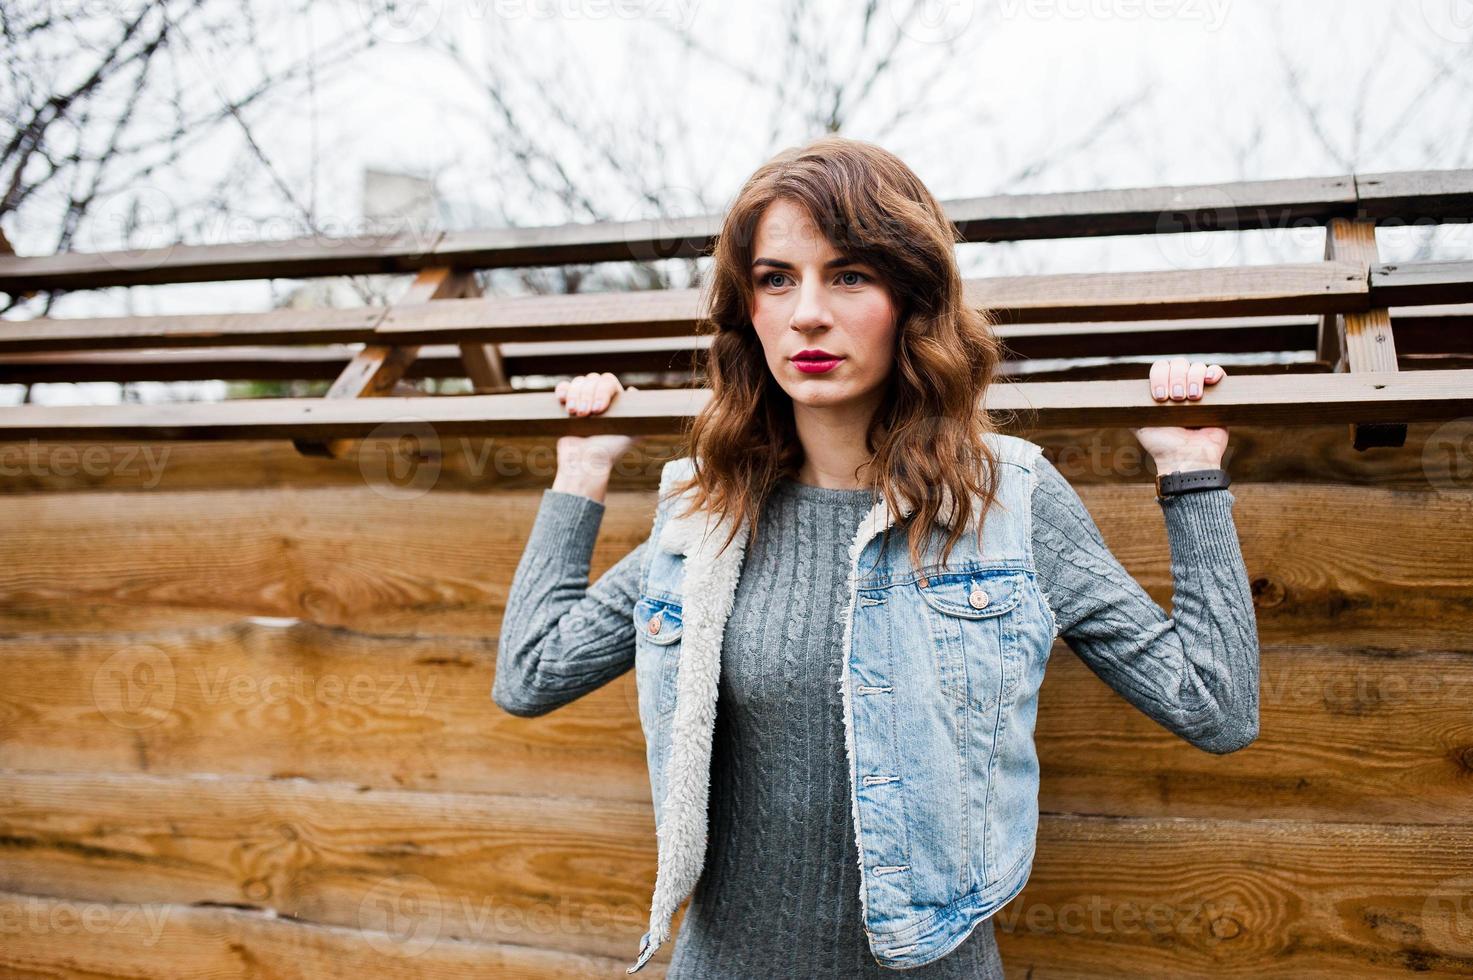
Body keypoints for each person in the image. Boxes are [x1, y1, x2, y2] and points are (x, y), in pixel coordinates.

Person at [493, 135, 1259, 979]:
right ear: (746, 306)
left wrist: (1190, 476)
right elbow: (530, 674)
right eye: (775, 278)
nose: (806, 313)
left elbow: (1213, 706)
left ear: (911, 298)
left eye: (849, 275)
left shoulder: (1005, 502)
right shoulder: (706, 513)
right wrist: (580, 470)